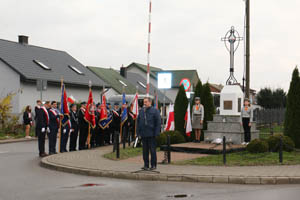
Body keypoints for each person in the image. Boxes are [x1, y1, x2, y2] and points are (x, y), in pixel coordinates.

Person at [137, 97, 161, 171]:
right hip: (144, 134)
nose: (144, 103)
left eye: (146, 102)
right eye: (144, 102)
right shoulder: (141, 111)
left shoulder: (155, 111)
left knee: (152, 151)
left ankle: (153, 165)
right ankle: (146, 165)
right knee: (145, 151)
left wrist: (156, 133)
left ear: (150, 102)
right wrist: (138, 133)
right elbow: (138, 123)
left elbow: (158, 122)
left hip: (152, 134)